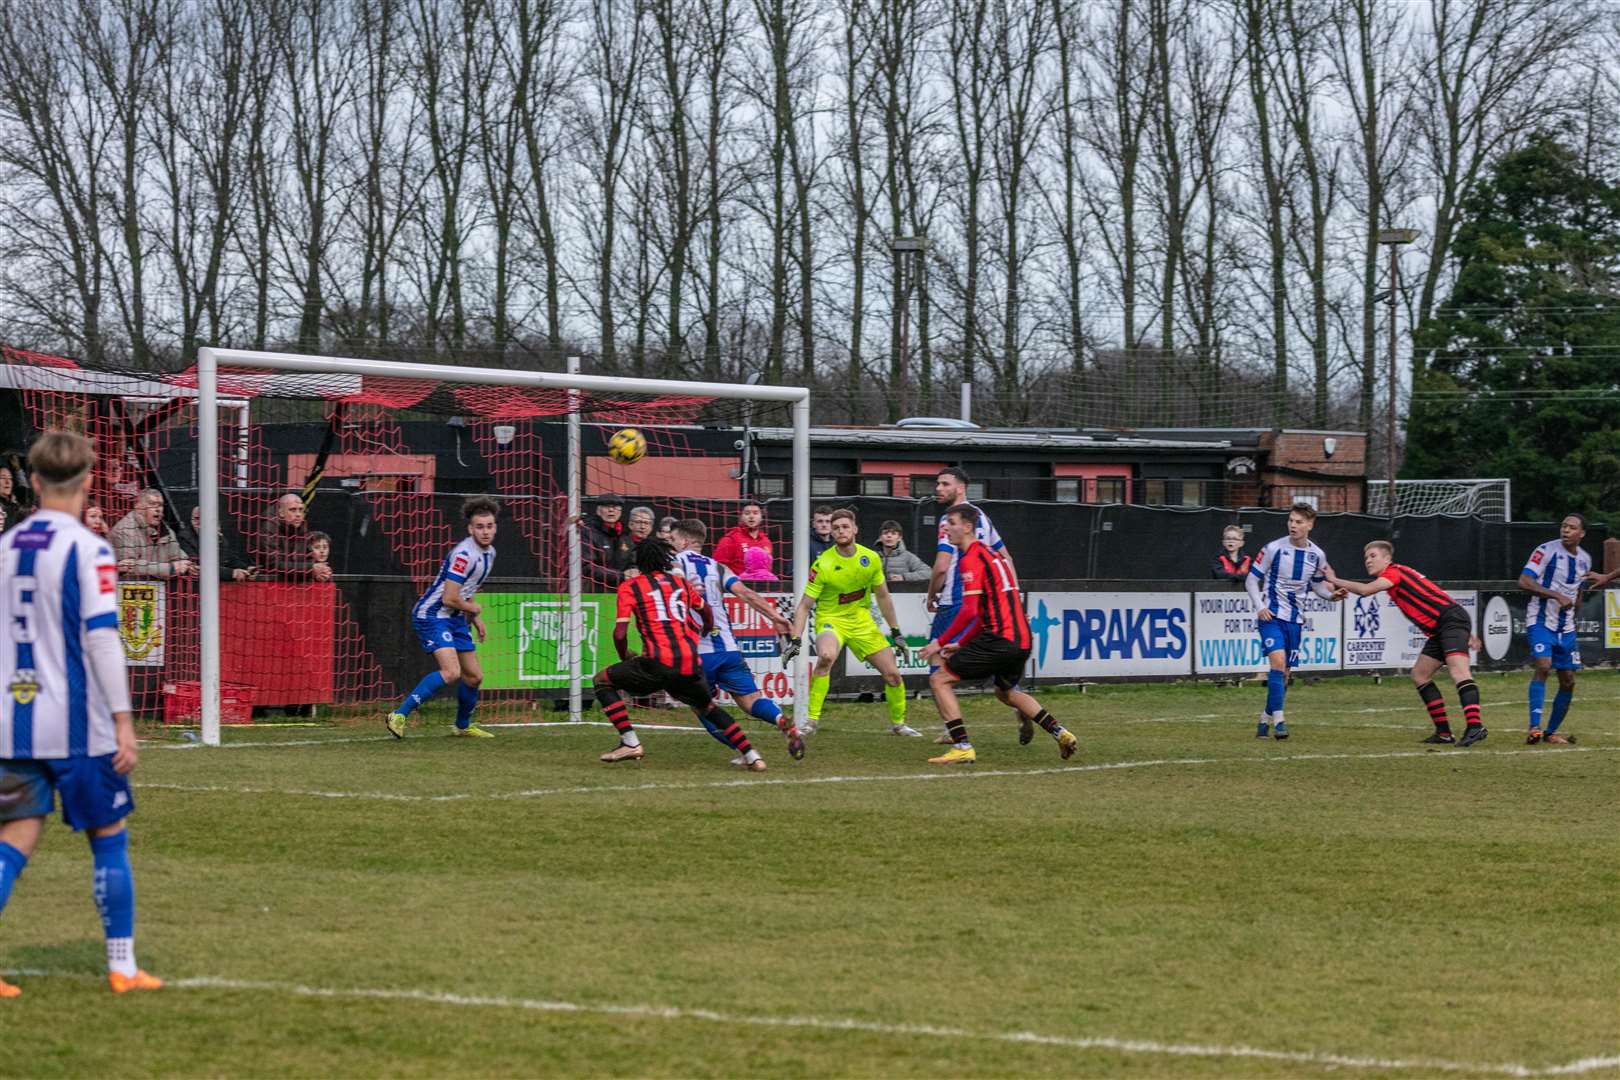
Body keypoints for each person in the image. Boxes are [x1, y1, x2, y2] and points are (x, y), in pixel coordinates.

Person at [0, 431, 161, 996]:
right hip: (77, 723)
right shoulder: (89, 548)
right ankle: (122, 967)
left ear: (35, 481)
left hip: (12, 721)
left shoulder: (7, 544)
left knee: (14, 838)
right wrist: (123, 720)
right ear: (89, 480)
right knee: (108, 836)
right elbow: (101, 639)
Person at [918, 504, 1077, 765]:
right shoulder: (993, 554)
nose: (946, 527)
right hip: (1022, 639)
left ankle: (962, 746)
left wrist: (940, 641)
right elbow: (983, 611)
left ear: (968, 527)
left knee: (940, 680)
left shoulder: (970, 559)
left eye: (953, 522)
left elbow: (969, 611)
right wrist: (962, 643)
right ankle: (1060, 732)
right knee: (1006, 693)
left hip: (1000, 639)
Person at [596, 539, 764, 769]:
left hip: (657, 662)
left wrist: (625, 655)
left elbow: (619, 633)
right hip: (690, 662)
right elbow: (705, 610)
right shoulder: (680, 584)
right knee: (709, 707)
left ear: (639, 562)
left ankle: (630, 742)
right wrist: (706, 628)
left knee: (602, 681)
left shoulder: (631, 586)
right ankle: (753, 756)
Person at [1325, 542, 1488, 747]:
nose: (1368, 560)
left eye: (1373, 556)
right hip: (1445, 624)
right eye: (1366, 557)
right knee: (1420, 675)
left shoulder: (1394, 572)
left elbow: (1366, 590)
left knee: (1459, 672)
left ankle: (1475, 727)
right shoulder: (1400, 573)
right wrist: (1466, 630)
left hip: (1449, 622)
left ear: (1387, 559)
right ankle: (1444, 733)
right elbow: (1438, 594)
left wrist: (1333, 579)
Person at [670, 518, 802, 764]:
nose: (671, 544)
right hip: (730, 649)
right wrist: (776, 617)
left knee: (702, 707)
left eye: (673, 539)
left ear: (685, 541)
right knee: (752, 700)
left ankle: (746, 752)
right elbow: (747, 594)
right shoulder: (718, 567)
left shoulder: (674, 563)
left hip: (698, 653)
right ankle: (781, 720)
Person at [786, 509, 918, 738]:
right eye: (836, 528)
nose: (840, 531)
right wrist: (796, 641)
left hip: (862, 623)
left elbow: (884, 596)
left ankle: (899, 724)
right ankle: (811, 721)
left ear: (855, 529)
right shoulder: (822, 564)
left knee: (893, 675)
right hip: (831, 621)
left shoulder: (871, 558)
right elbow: (805, 606)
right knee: (826, 657)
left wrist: (896, 632)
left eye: (845, 526)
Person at [386, 497, 500, 739]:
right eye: (479, 527)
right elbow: (449, 598)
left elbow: (466, 591)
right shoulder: (464, 555)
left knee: (474, 676)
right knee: (451, 672)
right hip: (432, 614)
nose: (485, 531)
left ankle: (461, 726)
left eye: (489, 526)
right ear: (470, 528)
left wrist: (473, 616)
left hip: (455, 617)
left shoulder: (490, 553)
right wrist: (475, 610)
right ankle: (399, 715)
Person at [923, 467, 1018, 743]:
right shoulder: (982, 517)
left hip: (956, 603)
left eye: (944, 484)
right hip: (987, 606)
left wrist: (931, 594)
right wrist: (1010, 595)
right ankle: (1021, 704)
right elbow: (1005, 556)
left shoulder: (950, 520)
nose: (938, 489)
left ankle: (954, 732)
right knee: (998, 664)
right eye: (937, 483)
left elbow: (942, 567)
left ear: (961, 488)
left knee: (936, 667)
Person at [1245, 503, 1338, 740]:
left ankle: (1264, 720)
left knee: (1284, 674)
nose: (1293, 525)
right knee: (1277, 663)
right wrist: (1260, 606)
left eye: (1298, 522)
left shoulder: (1317, 555)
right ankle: (1280, 722)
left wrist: (1331, 595)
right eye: (1290, 520)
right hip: (1271, 616)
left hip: (1295, 620)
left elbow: (1317, 585)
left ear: (1310, 525)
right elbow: (1251, 580)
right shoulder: (1274, 548)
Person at [1517, 514, 1601, 744]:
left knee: (1568, 680)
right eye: (1564, 525)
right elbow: (1524, 581)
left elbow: (1578, 592)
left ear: (1581, 534)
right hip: (1541, 620)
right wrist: (1555, 594)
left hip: (1566, 627)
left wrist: (1575, 615)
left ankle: (1550, 732)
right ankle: (1534, 727)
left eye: (1572, 527)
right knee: (1543, 666)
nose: (1566, 530)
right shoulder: (1545, 550)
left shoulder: (1585, 559)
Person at [108, 489, 192, 579]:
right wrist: (169, 569)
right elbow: (127, 568)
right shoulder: (124, 530)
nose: (158, 509)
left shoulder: (167, 531)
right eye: (152, 504)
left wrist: (190, 567)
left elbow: (180, 558)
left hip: (158, 588)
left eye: (160, 505)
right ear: (139, 507)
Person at [254, 493, 331, 581]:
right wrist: (310, 569)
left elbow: (306, 557)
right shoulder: (268, 527)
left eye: (301, 510)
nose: (298, 514)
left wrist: (320, 571)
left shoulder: (299, 525)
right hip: (264, 583)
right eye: (293, 510)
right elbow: (273, 564)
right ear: (281, 513)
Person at [184, 505, 254, 582]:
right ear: (191, 520)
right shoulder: (184, 537)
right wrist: (232, 573)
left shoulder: (217, 536)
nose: (200, 522)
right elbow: (198, 566)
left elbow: (228, 558)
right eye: (196, 519)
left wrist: (246, 568)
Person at [581, 495, 632, 587]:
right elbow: (586, 568)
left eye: (615, 507)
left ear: (620, 511)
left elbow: (632, 561)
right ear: (598, 510)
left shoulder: (625, 535)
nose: (611, 510)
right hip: (594, 590)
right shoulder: (587, 532)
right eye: (606, 506)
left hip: (623, 589)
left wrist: (633, 571)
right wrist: (620, 576)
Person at [712, 500, 771, 577]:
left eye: (755, 513)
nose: (751, 516)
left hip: (762, 586)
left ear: (761, 517)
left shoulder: (766, 541)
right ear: (741, 517)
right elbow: (717, 566)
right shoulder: (730, 539)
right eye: (747, 513)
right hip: (737, 586)